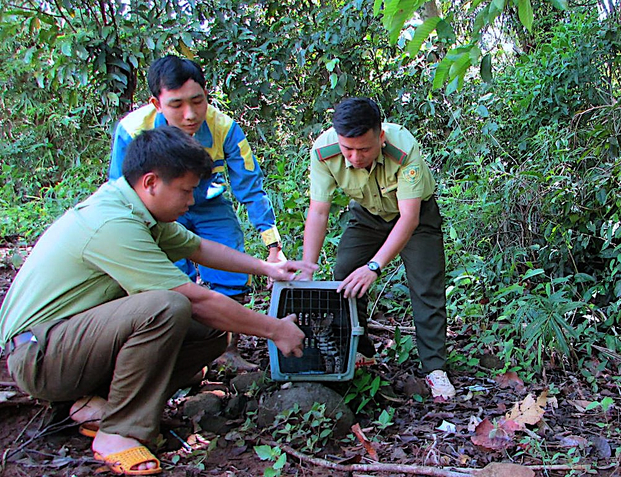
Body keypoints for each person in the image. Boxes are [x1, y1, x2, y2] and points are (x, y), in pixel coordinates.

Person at [0, 126, 316, 475]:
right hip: (41, 357)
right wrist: (275, 330)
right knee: (168, 307)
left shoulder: (138, 208)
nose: (191, 201)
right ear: (151, 182)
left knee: (213, 332)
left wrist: (267, 268)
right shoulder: (112, 223)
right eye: (186, 190)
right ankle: (118, 433)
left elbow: (197, 247)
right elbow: (193, 300)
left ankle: (99, 403)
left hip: (70, 345)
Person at [109, 55, 283, 371]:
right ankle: (183, 355)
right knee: (170, 282)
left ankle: (227, 350)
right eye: (176, 105)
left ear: (207, 96)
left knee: (230, 272)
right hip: (159, 212)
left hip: (210, 205)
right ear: (156, 103)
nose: (190, 115)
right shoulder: (132, 130)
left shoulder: (224, 129)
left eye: (197, 101)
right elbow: (120, 191)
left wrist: (273, 246)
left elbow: (250, 187)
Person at [298, 97, 455, 400]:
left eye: (364, 149)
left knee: (426, 285)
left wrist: (374, 266)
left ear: (380, 138)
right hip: (367, 216)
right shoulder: (323, 151)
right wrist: (307, 266)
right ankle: (361, 351)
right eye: (348, 149)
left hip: (415, 216)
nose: (355, 157)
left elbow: (409, 218)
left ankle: (435, 368)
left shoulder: (402, 147)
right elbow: (318, 211)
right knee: (344, 273)